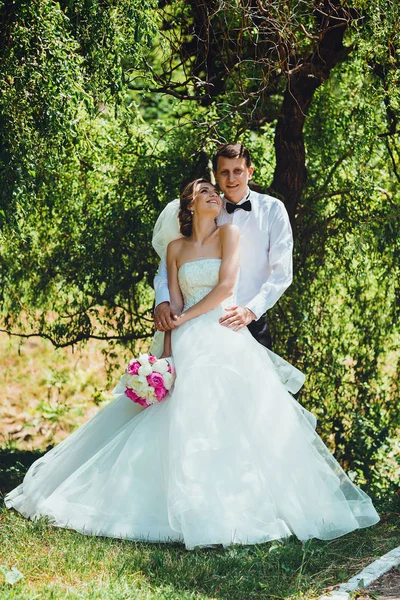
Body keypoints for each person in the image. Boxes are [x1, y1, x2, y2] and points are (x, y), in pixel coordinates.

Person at [5, 177, 379, 550]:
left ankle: (234, 503)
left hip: (221, 330)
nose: (216, 194)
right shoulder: (174, 249)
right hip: (183, 336)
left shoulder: (229, 234)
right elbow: (175, 304)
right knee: (173, 412)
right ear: (188, 206)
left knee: (232, 415)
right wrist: (164, 356)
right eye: (206, 192)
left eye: (215, 191)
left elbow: (223, 288)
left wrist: (184, 321)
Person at [154, 143, 293, 351]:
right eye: (224, 172)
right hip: (202, 324)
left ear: (250, 172)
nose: (231, 179)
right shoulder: (207, 206)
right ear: (215, 175)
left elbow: (282, 273)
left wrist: (250, 310)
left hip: (250, 320)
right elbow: (169, 266)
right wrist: (162, 303)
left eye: (237, 171)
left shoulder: (272, 209)